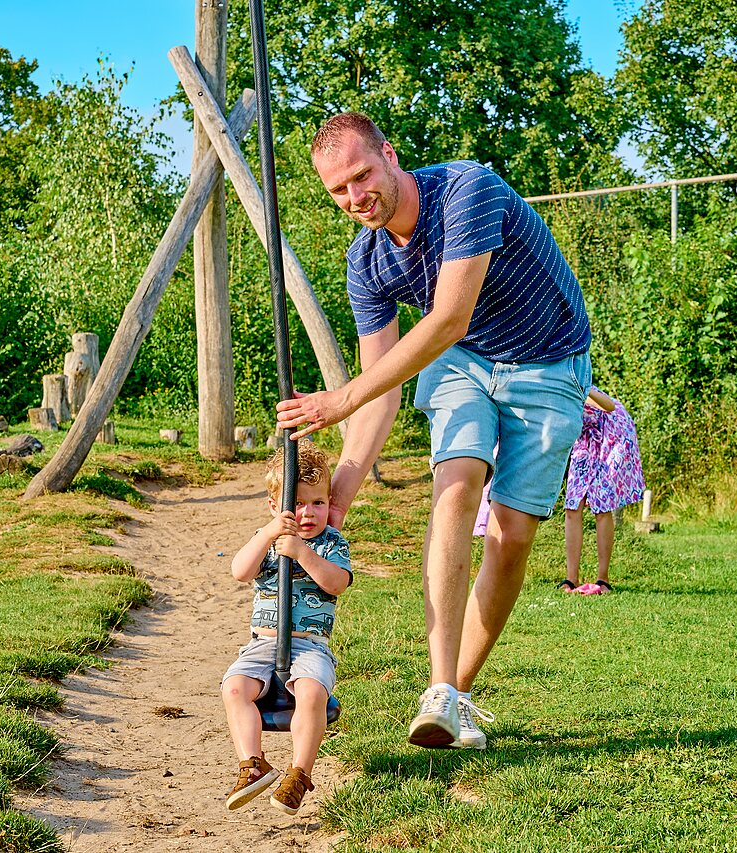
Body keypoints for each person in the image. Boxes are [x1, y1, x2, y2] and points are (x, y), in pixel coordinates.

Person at [277, 112, 592, 751]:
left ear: (390, 156)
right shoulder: (367, 261)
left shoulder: (467, 191)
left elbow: (447, 317)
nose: (355, 197)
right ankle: (439, 689)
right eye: (337, 190)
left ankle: (457, 696)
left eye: (362, 176)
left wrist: (338, 399)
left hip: (548, 362)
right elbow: (382, 387)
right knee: (456, 486)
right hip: (462, 365)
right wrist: (341, 487)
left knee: (510, 535)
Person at [221, 440, 352, 815]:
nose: (307, 513)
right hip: (262, 645)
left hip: (310, 646)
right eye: (296, 504)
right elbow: (240, 572)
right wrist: (267, 536)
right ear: (274, 507)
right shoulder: (267, 540)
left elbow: (336, 583)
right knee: (234, 689)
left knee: (313, 694)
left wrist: (302, 553)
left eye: (318, 503)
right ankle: (253, 765)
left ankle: (298, 774)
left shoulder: (330, 543)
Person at [560, 387, 644, 595]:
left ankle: (603, 579)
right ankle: (571, 579)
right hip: (585, 439)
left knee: (601, 507)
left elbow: (609, 405)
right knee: (572, 506)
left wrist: (582, 387)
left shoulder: (575, 379)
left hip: (613, 435)